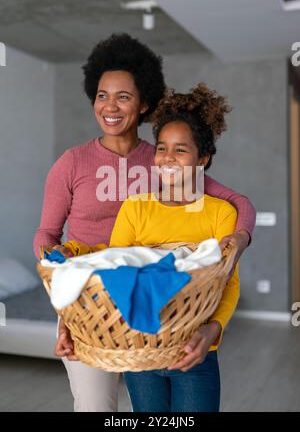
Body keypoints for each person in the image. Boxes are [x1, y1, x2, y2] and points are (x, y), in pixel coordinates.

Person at [33, 34, 255, 412]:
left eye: (123, 96)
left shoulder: (164, 158)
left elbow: (237, 202)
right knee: (95, 407)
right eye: (102, 95)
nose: (110, 106)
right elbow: (48, 235)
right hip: (92, 302)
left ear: (145, 103)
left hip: (156, 301)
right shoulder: (72, 163)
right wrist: (66, 306)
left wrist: (237, 244)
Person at [109, 83, 240, 412]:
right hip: (140, 351)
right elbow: (114, 270)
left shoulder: (220, 213)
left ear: (203, 158)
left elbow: (227, 281)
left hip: (195, 351)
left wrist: (213, 331)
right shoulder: (135, 208)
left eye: (181, 150)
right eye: (162, 148)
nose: (168, 157)